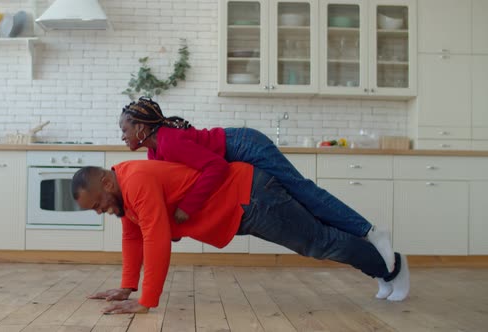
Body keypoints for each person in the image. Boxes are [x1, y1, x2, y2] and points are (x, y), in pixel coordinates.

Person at [71, 160, 410, 315]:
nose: (100, 211)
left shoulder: (136, 182)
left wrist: (146, 301)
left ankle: (391, 268)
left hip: (250, 198)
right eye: (95, 210)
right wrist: (128, 285)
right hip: (245, 202)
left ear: (106, 184)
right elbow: (133, 237)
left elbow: (156, 239)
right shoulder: (123, 194)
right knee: (319, 238)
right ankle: (383, 266)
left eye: (98, 204)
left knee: (318, 241)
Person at [119, 97, 395, 273]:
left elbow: (216, 167)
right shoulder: (155, 151)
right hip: (239, 153)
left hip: (246, 146)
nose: (122, 135)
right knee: (304, 205)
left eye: (125, 129)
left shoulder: (169, 141)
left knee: (303, 190)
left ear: (141, 128)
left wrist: (187, 209)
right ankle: (367, 248)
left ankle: (369, 231)